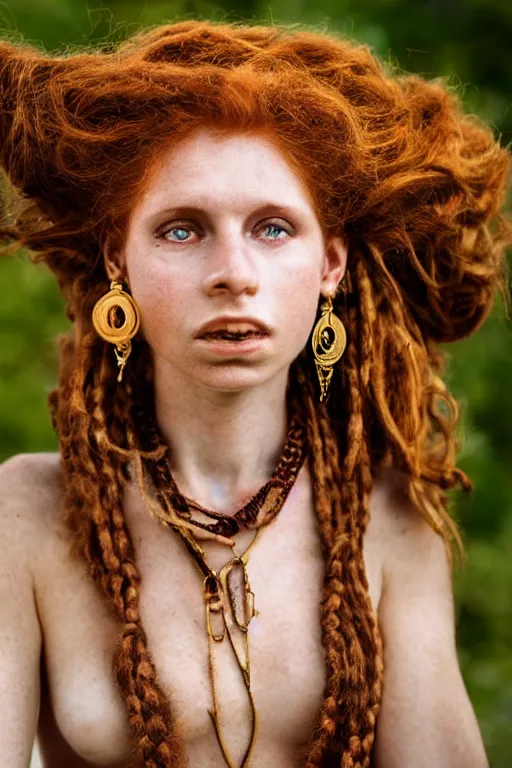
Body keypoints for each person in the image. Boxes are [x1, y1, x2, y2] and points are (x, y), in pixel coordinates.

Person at [0, 18, 510, 768]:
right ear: (120, 260)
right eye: (181, 230)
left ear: (330, 265)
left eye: (273, 229)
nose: (232, 273)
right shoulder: (25, 515)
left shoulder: (387, 518)